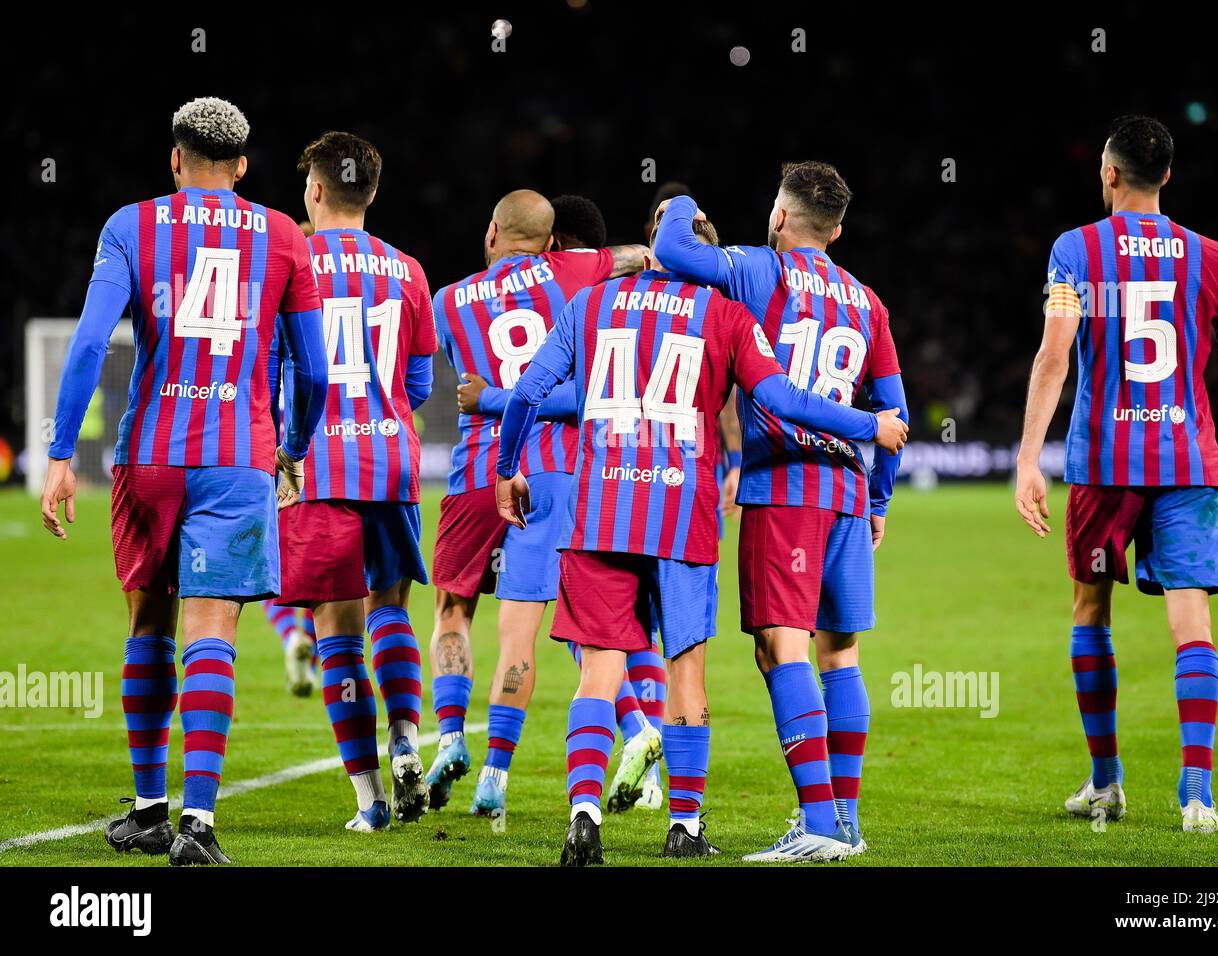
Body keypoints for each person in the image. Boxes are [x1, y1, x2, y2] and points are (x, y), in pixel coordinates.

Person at [494, 213, 907, 865]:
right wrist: (868, 425)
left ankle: (582, 818)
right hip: (683, 515)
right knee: (687, 670)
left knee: (599, 672)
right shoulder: (726, 317)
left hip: (602, 509)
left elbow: (526, 393)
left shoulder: (592, 302)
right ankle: (684, 827)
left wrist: (505, 469)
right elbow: (783, 399)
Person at [40, 97, 328, 865]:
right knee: (213, 636)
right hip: (238, 459)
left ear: (174, 158)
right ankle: (198, 825)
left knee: (148, 628)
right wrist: (292, 447)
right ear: (240, 166)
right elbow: (316, 367)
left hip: (149, 458)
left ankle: (147, 809)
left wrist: (62, 454)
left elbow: (91, 342)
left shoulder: (130, 226)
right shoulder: (281, 235)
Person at [1014, 115, 1218, 833]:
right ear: (1167, 176)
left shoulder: (1075, 251)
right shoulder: (1211, 257)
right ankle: (1197, 794)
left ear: (1109, 174)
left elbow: (1054, 355)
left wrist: (1028, 455)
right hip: (1189, 462)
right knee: (1192, 622)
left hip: (1103, 465)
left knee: (1091, 613)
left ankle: (1106, 783)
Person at [653, 161, 908, 861]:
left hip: (785, 490)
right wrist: (879, 495)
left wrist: (682, 199)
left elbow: (675, 248)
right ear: (839, 229)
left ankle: (820, 824)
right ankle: (845, 823)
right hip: (849, 495)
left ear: (781, 217)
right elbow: (896, 412)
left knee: (780, 647)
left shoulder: (758, 270)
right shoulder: (868, 301)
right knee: (841, 652)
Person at [428, 190, 647, 817]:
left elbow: (433, 372)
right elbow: (635, 257)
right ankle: (498, 771)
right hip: (554, 469)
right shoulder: (577, 270)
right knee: (550, 626)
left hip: (477, 471)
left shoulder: (448, 299)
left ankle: (447, 735)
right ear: (553, 244)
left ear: (491, 230)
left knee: (452, 609)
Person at [273, 131, 437, 831]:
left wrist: (284, 448)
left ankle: (371, 801)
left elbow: (274, 367)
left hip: (318, 463)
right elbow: (422, 382)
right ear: (369, 193)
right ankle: (405, 740)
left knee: (335, 632)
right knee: (390, 610)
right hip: (392, 461)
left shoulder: (289, 262)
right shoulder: (409, 270)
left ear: (314, 191)